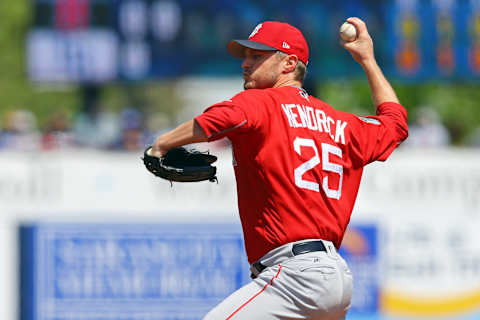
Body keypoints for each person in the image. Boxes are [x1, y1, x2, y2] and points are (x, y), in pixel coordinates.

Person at [149, 18, 408, 320]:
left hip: (294, 278)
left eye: (257, 56)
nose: (246, 63)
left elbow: (220, 120)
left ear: (289, 63)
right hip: (335, 276)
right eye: (246, 56)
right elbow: (395, 124)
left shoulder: (262, 103)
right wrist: (368, 60)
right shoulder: (343, 124)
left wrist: (163, 143)